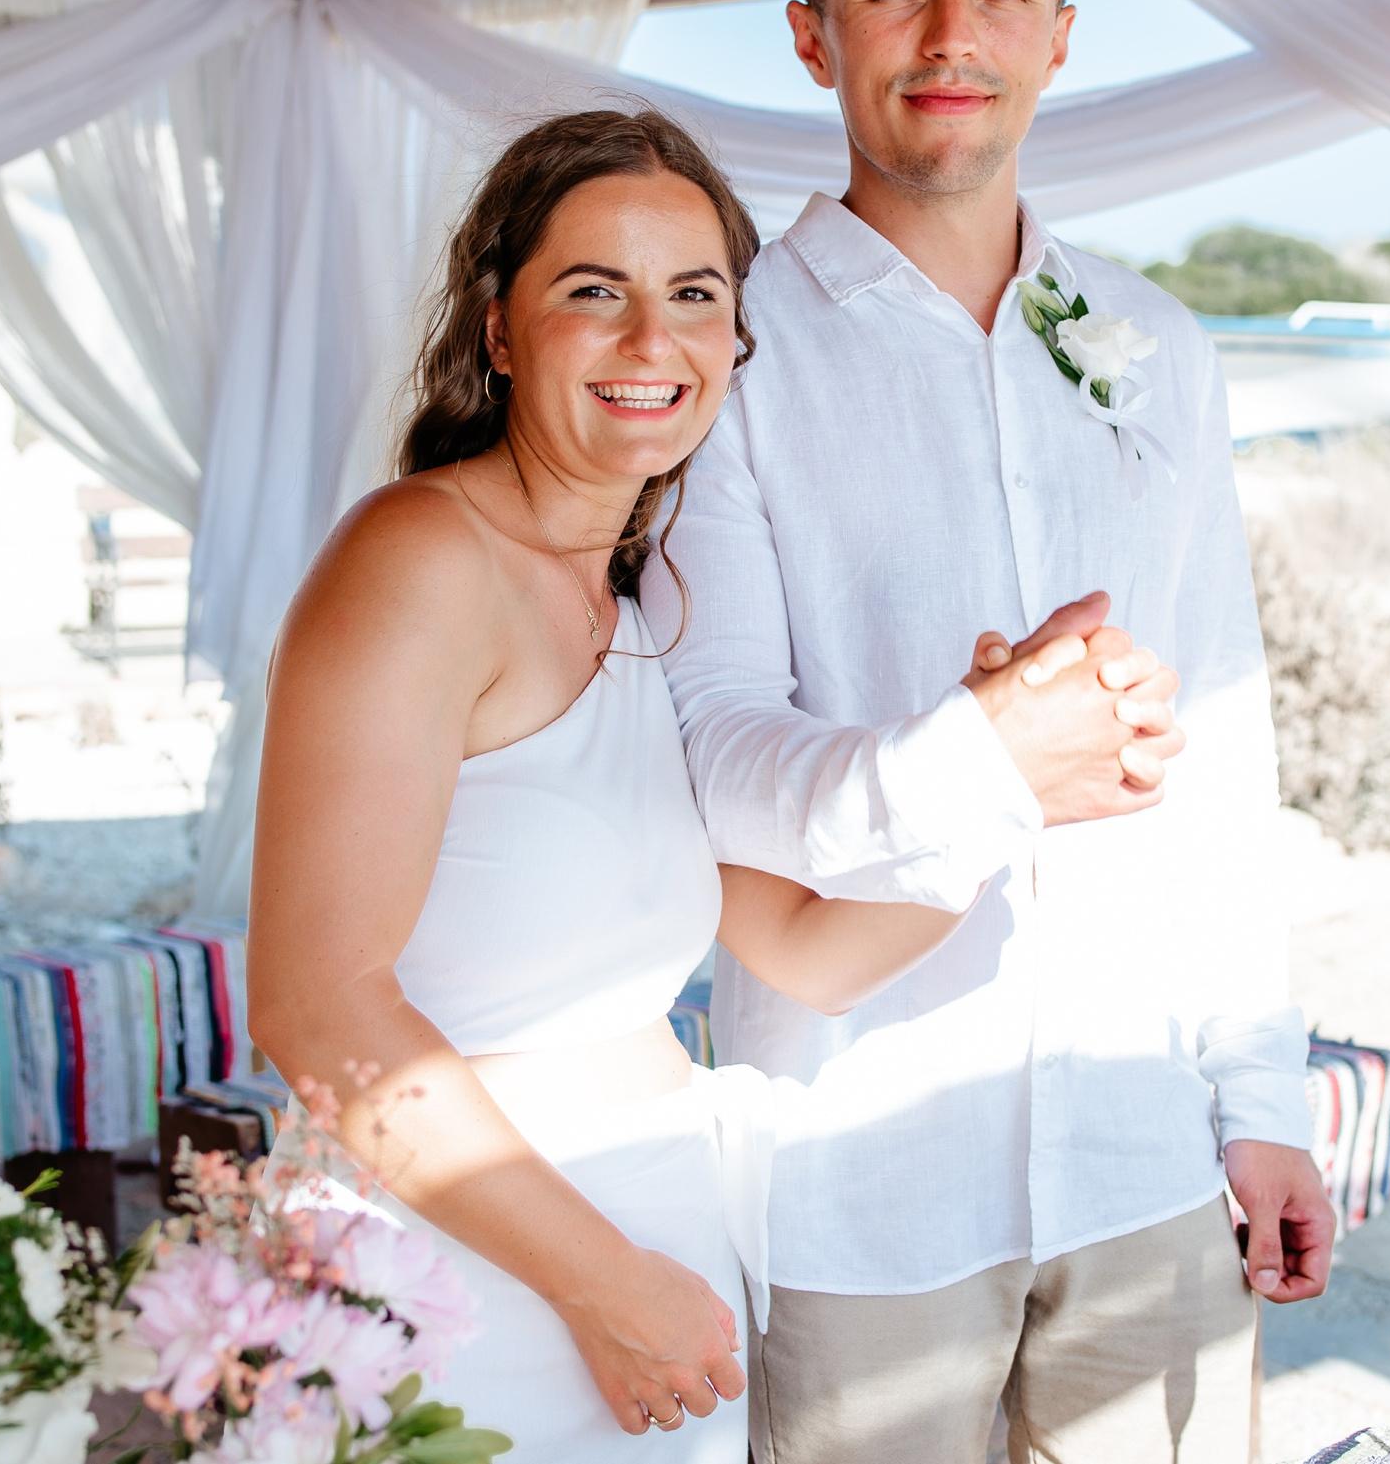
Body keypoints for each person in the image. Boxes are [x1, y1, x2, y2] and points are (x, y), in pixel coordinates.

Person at [637, 0, 1336, 1464]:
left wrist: (1260, 1100)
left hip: (1144, 1152)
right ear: (812, 34)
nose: (954, 36)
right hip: (855, 1175)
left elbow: (1223, 762)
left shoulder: (1159, 346)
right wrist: (977, 764)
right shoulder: (727, 358)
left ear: (1062, 33)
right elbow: (709, 749)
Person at [246, 108, 1040, 1461]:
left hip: (652, 1257)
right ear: (498, 329)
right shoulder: (421, 559)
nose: (649, 342)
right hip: (473, 1277)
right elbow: (316, 1006)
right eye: (591, 293)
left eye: (693, 297)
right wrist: (601, 1282)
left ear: (736, 339)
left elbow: (805, 946)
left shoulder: (645, 596)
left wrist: (1003, 772)